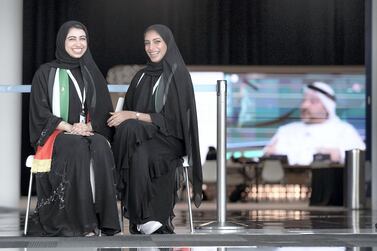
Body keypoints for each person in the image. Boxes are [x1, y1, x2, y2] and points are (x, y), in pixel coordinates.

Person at [108, 24, 202, 234]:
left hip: (170, 138)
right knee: (136, 148)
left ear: (167, 43)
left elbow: (175, 119)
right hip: (142, 139)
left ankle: (142, 216)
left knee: (134, 140)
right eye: (147, 43)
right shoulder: (141, 76)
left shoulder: (178, 75)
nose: (151, 47)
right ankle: (145, 220)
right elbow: (128, 111)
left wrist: (134, 116)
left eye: (157, 42)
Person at [28, 21, 120, 236]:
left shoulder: (91, 72)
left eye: (82, 38)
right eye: (72, 38)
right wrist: (70, 127)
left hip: (87, 131)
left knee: (100, 145)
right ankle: (82, 223)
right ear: (62, 41)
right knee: (77, 147)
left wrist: (88, 126)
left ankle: (103, 220)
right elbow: (40, 112)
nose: (78, 44)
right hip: (57, 134)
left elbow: (103, 112)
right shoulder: (46, 73)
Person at [263, 81, 365, 205]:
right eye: (304, 100)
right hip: (286, 199)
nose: (305, 106)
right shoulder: (287, 131)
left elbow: (360, 159)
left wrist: (338, 154)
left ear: (327, 106)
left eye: (313, 102)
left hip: (333, 200)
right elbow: (270, 153)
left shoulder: (344, 131)